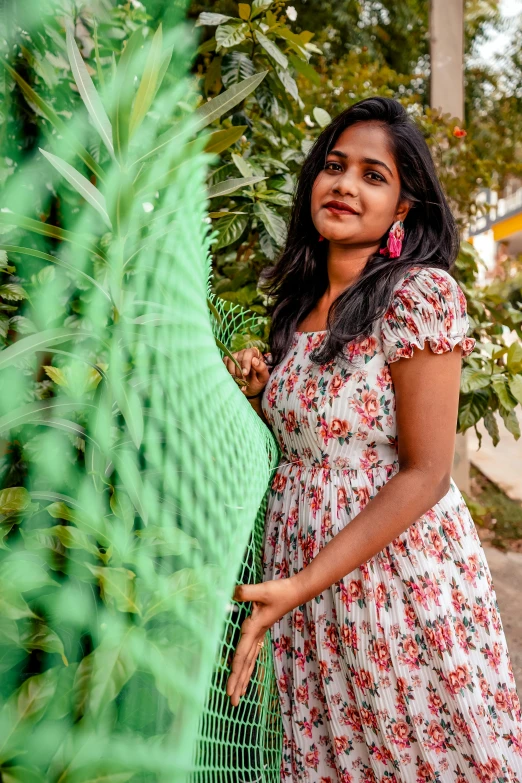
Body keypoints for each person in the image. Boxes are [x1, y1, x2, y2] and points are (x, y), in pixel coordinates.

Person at [222, 97, 522, 783]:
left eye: (372, 174)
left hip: (392, 584)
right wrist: (257, 391)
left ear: (404, 206)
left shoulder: (418, 296)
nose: (345, 185)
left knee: (415, 754)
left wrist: (300, 583)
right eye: (333, 166)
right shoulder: (295, 309)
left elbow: (426, 472)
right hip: (306, 594)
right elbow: (316, 442)